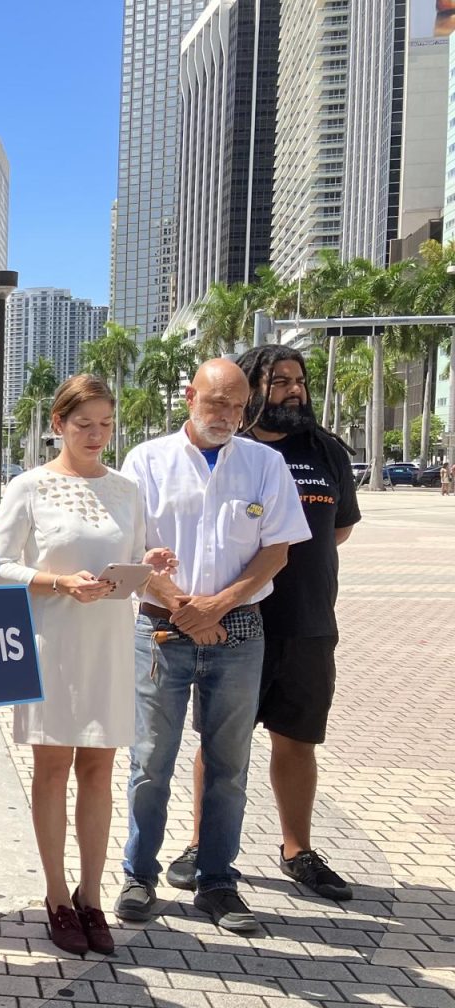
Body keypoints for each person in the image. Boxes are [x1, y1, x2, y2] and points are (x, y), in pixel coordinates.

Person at [117, 359, 311, 935]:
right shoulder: (146, 461)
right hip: (160, 628)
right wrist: (185, 608)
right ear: (188, 396)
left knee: (229, 764)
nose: (226, 414)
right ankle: (138, 874)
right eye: (215, 402)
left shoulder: (265, 464)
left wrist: (216, 607)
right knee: (151, 760)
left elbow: (277, 552)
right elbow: (133, 549)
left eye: (237, 405)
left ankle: (218, 881)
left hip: (239, 630)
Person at [0, 376, 176, 956]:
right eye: (83, 424)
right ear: (58, 424)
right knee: (52, 770)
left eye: (105, 424)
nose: (96, 435)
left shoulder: (127, 489)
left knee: (99, 770)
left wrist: (152, 564)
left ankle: (92, 895)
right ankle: (57, 895)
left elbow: (136, 561)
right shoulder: (30, 486)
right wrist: (57, 581)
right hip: (52, 644)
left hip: (112, 643)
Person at [167, 346, 360, 902]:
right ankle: (203, 843)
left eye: (298, 381)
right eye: (279, 382)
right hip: (233, 623)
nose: (293, 390)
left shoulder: (326, 452)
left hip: (306, 622)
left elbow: (337, 529)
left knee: (298, 738)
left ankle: (297, 849)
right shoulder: (231, 450)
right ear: (252, 388)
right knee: (220, 741)